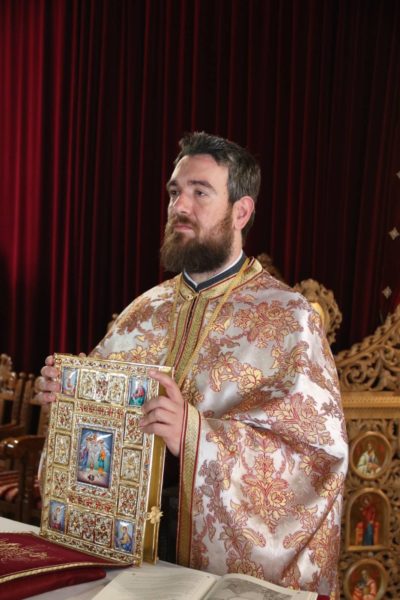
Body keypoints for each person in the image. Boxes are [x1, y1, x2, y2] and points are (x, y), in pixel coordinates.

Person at [36, 132, 348, 598]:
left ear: (241, 212)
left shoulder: (290, 319)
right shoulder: (144, 309)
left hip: (209, 565)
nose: (179, 206)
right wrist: (69, 399)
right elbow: (101, 432)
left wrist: (197, 435)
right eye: (174, 192)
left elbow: (317, 460)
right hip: (126, 557)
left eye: (200, 192)